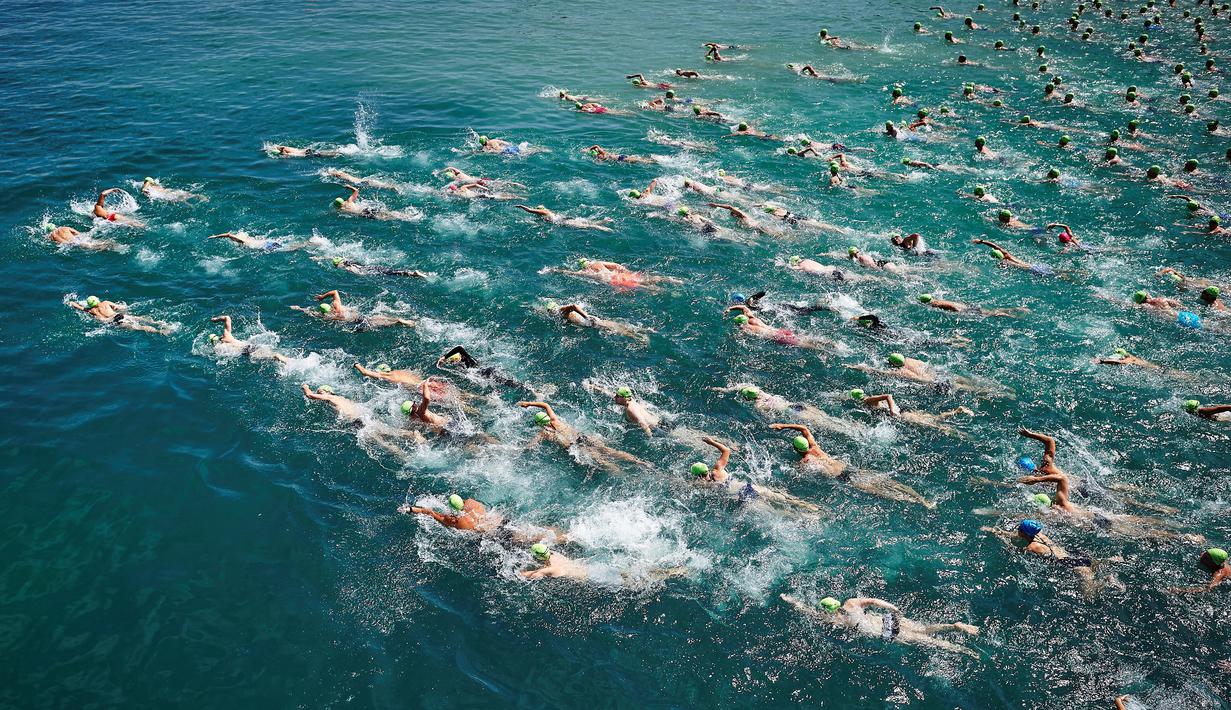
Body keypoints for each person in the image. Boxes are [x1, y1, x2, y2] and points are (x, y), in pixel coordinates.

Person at [769, 423, 935, 507]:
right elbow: (804, 428)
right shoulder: (815, 448)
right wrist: (783, 426)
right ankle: (921, 498)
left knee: (879, 491)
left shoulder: (804, 462)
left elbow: (798, 476)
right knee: (889, 483)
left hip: (843, 478)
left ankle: (915, 502)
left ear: (796, 449)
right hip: (847, 467)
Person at [779, 594, 979, 657]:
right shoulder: (851, 603)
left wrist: (790, 601)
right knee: (924, 628)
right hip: (886, 620)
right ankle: (954, 625)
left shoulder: (834, 620)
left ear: (827, 610)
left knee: (927, 641)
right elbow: (874, 601)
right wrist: (894, 609)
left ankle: (963, 651)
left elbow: (808, 612)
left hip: (884, 632)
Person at [690, 436, 822, 514]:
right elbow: (726, 450)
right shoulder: (717, 471)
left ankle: (806, 517)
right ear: (706, 469)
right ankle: (811, 507)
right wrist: (711, 442)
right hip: (747, 487)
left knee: (775, 511)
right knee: (783, 498)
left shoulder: (702, 485)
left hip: (740, 498)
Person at [982, 520, 1106, 598]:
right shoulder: (1039, 534)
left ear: (1024, 533)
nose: (1017, 529)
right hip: (1075, 554)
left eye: (1019, 528)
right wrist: (997, 531)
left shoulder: (1032, 546)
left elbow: (1013, 551)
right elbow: (1016, 535)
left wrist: (1002, 541)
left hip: (1073, 564)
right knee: (1096, 567)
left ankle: (1108, 580)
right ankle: (1110, 563)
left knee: (1089, 595)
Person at [518, 401, 648, 474]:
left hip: (576, 447)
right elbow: (545, 405)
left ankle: (622, 475)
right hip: (583, 437)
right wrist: (529, 403)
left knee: (603, 461)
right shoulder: (555, 420)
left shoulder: (543, 433)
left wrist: (520, 450)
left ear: (539, 424)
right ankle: (639, 461)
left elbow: (531, 446)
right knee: (610, 451)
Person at [400, 494, 564, 544]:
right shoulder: (473, 504)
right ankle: (565, 536)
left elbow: (431, 513)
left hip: (498, 535)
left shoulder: (457, 521)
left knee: (530, 540)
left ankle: (562, 539)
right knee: (534, 530)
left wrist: (410, 509)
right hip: (504, 522)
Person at [714, 383, 865, 437]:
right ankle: (852, 425)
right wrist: (725, 389)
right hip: (797, 405)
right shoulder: (760, 392)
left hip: (794, 413)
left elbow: (767, 417)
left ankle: (850, 431)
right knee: (825, 417)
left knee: (824, 424)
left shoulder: (758, 405)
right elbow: (743, 385)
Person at [849, 389, 973, 434]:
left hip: (902, 414)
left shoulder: (867, 401)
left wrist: (893, 410)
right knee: (933, 418)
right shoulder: (867, 401)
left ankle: (950, 430)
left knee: (928, 424)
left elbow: (888, 395)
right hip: (902, 411)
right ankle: (957, 411)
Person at [1016, 429, 1077, 512]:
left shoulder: (1046, 466)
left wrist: (1031, 434)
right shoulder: (1036, 481)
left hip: (1079, 486)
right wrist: (1030, 435)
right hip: (1067, 489)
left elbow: (1050, 441)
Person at [726, 305, 835, 351]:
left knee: (803, 344)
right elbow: (743, 307)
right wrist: (729, 309)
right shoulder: (752, 318)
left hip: (778, 337)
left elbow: (739, 337)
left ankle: (824, 349)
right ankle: (828, 342)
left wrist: (732, 338)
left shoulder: (746, 328)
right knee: (801, 337)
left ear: (741, 323)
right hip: (780, 331)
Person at [290, 290, 415, 329]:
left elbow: (311, 313)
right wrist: (322, 296)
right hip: (359, 316)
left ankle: (397, 322)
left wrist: (299, 308)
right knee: (375, 319)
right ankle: (397, 320)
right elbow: (335, 291)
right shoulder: (337, 305)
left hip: (357, 322)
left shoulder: (329, 316)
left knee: (378, 324)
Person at [549, 303, 653, 344]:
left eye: (550, 311)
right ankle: (642, 330)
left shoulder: (561, 311)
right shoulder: (560, 311)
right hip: (590, 321)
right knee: (613, 325)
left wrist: (585, 316)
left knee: (614, 329)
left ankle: (638, 338)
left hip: (589, 322)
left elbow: (573, 306)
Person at [555, 258, 683, 291]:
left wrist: (557, 271)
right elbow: (616, 265)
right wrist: (626, 271)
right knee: (646, 279)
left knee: (641, 287)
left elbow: (572, 273)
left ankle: (660, 290)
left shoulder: (585, 272)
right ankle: (671, 280)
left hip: (614, 280)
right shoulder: (598, 263)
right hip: (619, 274)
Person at [436, 346, 528, 390]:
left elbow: (459, 348)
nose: (453, 363)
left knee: (506, 382)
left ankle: (528, 388)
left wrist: (444, 357)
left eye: (453, 361)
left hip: (487, 372)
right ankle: (525, 387)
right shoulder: (468, 362)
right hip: (488, 370)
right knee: (504, 382)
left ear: (458, 359)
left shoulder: (469, 361)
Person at [69, 295, 173, 334]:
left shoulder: (91, 311)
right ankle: (160, 324)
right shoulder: (105, 302)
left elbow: (79, 307)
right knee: (140, 318)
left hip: (113, 322)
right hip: (119, 316)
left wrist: (71, 302)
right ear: (97, 299)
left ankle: (160, 331)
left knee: (139, 327)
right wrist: (123, 306)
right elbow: (120, 307)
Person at [208, 315, 288, 363]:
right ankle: (288, 360)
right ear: (218, 337)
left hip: (246, 352)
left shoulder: (219, 348)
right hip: (251, 346)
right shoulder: (227, 335)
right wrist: (216, 319)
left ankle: (281, 358)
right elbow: (227, 318)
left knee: (272, 356)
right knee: (270, 354)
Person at [333, 186, 421, 221]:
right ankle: (407, 216)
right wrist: (349, 187)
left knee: (386, 217)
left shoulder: (340, 210)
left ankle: (406, 217)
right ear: (343, 201)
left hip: (363, 214)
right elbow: (356, 190)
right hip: (366, 209)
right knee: (388, 213)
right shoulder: (349, 201)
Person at [972, 239, 1053, 276]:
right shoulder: (1007, 255)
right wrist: (982, 241)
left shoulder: (1004, 263)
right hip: (1034, 265)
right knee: (1056, 272)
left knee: (1055, 275)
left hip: (1032, 271)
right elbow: (996, 246)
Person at [514, 204, 614, 232]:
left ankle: (602, 227)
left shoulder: (542, 212)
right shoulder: (548, 211)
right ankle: (603, 221)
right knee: (587, 223)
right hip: (563, 219)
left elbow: (530, 210)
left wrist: (522, 206)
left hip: (563, 222)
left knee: (585, 226)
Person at [916, 293, 1023, 317]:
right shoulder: (938, 300)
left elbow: (952, 307)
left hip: (965, 310)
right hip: (967, 307)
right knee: (992, 311)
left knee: (991, 313)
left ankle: (1012, 314)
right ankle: (1013, 309)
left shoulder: (936, 304)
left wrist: (960, 312)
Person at [314, 255, 427, 278]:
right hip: (371, 267)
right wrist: (320, 258)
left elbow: (358, 273)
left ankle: (412, 274)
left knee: (391, 273)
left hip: (369, 272)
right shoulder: (349, 261)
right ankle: (411, 273)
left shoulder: (348, 268)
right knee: (390, 271)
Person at [208, 231, 308, 252]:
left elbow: (228, 235)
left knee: (290, 249)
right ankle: (307, 243)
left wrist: (215, 236)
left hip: (267, 246)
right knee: (288, 246)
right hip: (268, 242)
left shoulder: (244, 242)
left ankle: (309, 244)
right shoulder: (249, 239)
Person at [44, 224, 120, 251]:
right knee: (94, 242)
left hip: (74, 242)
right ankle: (113, 244)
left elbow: (62, 242)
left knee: (93, 247)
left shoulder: (52, 236)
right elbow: (77, 233)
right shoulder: (65, 228)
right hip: (80, 238)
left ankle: (111, 248)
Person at [323, 168, 400, 191]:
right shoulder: (344, 175)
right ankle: (392, 186)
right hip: (362, 181)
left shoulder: (342, 176)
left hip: (361, 182)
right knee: (381, 185)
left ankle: (392, 187)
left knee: (379, 185)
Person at [140, 177, 205, 202]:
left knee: (181, 199)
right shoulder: (156, 185)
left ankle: (195, 199)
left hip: (166, 194)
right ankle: (199, 196)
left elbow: (147, 182)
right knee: (186, 195)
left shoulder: (148, 183)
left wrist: (144, 189)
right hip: (169, 191)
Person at [1095, 347, 1160, 369]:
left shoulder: (1129, 360)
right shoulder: (1131, 357)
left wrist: (1102, 361)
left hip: (1157, 371)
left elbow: (1117, 362)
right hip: (1158, 368)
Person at [585, 145, 654, 164]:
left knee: (639, 160)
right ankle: (650, 160)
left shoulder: (602, 154)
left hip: (621, 158)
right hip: (620, 158)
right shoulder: (600, 157)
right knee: (637, 159)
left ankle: (650, 161)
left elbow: (596, 146)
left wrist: (589, 149)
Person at [270, 144, 340, 158]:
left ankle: (335, 154)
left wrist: (282, 154)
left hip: (305, 153)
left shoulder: (284, 150)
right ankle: (336, 152)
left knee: (319, 155)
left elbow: (285, 155)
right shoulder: (286, 148)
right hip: (305, 151)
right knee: (320, 153)